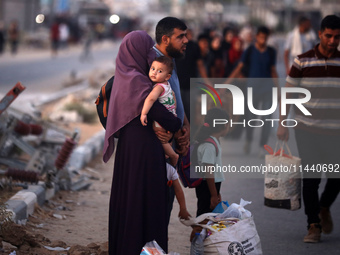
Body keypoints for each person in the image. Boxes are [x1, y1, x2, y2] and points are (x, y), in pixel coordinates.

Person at [103, 30, 182, 254]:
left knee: (129, 199)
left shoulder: (124, 76)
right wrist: (176, 125)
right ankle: (144, 249)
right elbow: (163, 115)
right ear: (137, 51)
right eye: (148, 49)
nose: (151, 54)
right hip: (144, 150)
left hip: (130, 148)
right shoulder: (138, 80)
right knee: (146, 201)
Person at [277, 15, 340, 243]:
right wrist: (282, 123)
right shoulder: (302, 61)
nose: (333, 41)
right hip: (308, 131)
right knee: (311, 178)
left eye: (337, 37)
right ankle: (313, 224)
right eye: (329, 36)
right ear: (320, 34)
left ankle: (324, 207)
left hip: (336, 133)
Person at [152, 17, 190, 225]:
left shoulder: (171, 62)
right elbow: (148, 103)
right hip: (160, 145)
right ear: (165, 39)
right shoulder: (154, 65)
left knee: (166, 206)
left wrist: (186, 128)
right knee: (159, 207)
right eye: (181, 36)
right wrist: (172, 131)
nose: (186, 40)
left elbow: (173, 99)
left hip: (174, 141)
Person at [227, 26, 278, 156]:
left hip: (267, 89)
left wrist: (279, 90)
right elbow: (239, 67)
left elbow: (273, 71)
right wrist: (226, 84)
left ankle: (263, 146)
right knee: (251, 118)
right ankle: (249, 140)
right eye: (261, 37)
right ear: (257, 37)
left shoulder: (271, 52)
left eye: (265, 38)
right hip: (252, 89)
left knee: (267, 119)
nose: (263, 40)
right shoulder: (249, 50)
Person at [141, 56, 179, 167]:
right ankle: (168, 151)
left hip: (162, 122)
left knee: (159, 136)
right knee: (165, 138)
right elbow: (174, 98)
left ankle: (172, 155)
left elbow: (151, 99)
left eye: (160, 71)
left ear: (167, 76)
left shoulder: (158, 87)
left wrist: (144, 113)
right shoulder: (168, 86)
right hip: (172, 115)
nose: (154, 73)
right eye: (153, 68)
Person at [194, 108, 229, 216]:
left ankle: (199, 232)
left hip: (211, 186)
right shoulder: (209, 145)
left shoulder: (213, 141)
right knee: (204, 216)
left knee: (208, 216)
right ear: (223, 125)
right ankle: (196, 232)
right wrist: (213, 195)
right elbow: (208, 171)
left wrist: (216, 193)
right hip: (207, 186)